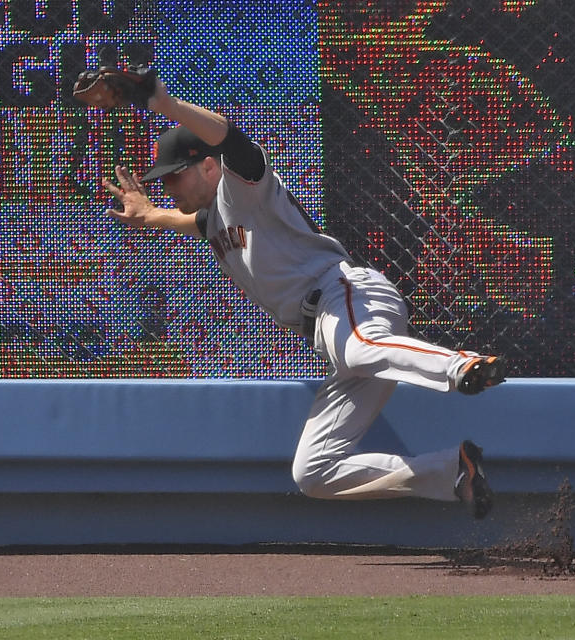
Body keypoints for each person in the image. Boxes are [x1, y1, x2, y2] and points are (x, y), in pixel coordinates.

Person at [99, 74, 505, 518]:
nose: (169, 187)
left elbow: (232, 139)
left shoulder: (240, 188)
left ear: (210, 167)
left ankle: (460, 364)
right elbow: (184, 219)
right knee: (313, 472)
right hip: (336, 331)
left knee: (357, 350)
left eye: (174, 177)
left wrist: (162, 100)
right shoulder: (213, 219)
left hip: (344, 296)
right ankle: (454, 473)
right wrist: (150, 215)